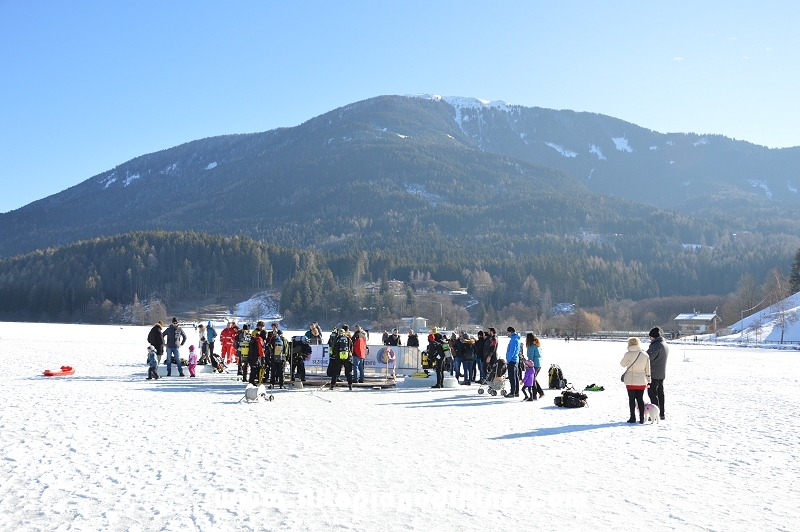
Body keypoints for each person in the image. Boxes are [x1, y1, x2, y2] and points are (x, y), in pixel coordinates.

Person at [621, 337, 651, 423]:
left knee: (631, 399)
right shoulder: (645, 354)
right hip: (641, 380)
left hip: (630, 380)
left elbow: (622, 364)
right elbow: (648, 369)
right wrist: (648, 380)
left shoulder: (628, 354)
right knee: (640, 399)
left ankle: (632, 417)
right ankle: (641, 418)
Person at [647, 327, 669, 421]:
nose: (650, 339)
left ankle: (654, 414)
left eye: (650, 337)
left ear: (654, 337)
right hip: (661, 373)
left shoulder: (655, 346)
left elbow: (648, 358)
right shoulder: (664, 344)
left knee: (653, 395)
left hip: (654, 374)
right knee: (660, 394)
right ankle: (662, 413)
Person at [525, 333, 545, 399]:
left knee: (532, 379)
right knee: (533, 378)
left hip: (534, 364)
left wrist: (528, 364)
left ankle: (534, 395)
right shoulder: (538, 345)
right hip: (539, 364)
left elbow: (531, 357)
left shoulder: (531, 346)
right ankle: (540, 392)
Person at [505, 327, 521, 398]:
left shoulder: (513, 340)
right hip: (515, 360)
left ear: (510, 332)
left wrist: (508, 360)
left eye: (507, 332)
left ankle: (512, 392)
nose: (507, 333)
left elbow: (512, 351)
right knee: (516, 376)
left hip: (512, 360)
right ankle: (516, 392)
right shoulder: (516, 339)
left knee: (512, 377)